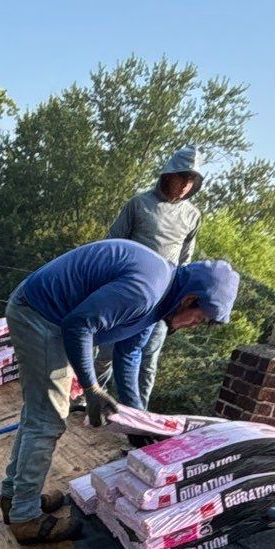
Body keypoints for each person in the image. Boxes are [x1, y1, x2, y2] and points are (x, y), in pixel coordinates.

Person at [0, 239, 240, 543]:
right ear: (189, 299)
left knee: (38, 414)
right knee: (47, 419)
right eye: (200, 318)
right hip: (39, 315)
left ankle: (16, 498)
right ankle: (25, 517)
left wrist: (138, 421)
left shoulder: (159, 302)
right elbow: (79, 325)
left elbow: (128, 356)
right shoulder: (146, 289)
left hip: (49, 318)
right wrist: (91, 387)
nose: (195, 325)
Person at [104, 146, 205, 410]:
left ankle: (139, 416)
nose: (185, 184)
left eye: (192, 179)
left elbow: (186, 260)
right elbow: (112, 244)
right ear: (168, 175)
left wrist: (180, 299)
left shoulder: (192, 215)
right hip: (127, 290)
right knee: (106, 350)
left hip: (164, 297)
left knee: (147, 358)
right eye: (182, 176)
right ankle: (90, 398)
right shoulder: (139, 204)